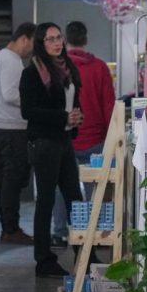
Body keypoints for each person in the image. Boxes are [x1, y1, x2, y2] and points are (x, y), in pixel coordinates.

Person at [20, 23, 83, 278]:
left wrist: (76, 116)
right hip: (44, 142)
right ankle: (43, 260)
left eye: (59, 38)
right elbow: (28, 111)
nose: (57, 43)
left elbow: (72, 101)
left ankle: (83, 251)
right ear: (41, 43)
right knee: (45, 201)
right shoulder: (33, 72)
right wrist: (63, 117)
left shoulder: (67, 68)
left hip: (64, 140)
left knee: (75, 199)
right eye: (50, 39)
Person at [52, 21, 116, 245]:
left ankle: (59, 232)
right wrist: (112, 138)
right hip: (95, 139)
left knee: (61, 186)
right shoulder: (99, 68)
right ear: (86, 40)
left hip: (65, 138)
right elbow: (109, 106)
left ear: (65, 41)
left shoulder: (57, 68)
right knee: (95, 187)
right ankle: (93, 233)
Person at [0, 22, 37, 245]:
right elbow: (10, 94)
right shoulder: (10, 60)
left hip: (6, 128)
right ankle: (11, 228)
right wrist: (34, 102)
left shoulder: (2, 58)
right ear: (24, 39)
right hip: (13, 129)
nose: (33, 50)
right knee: (12, 181)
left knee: (9, 180)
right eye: (34, 43)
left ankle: (9, 226)